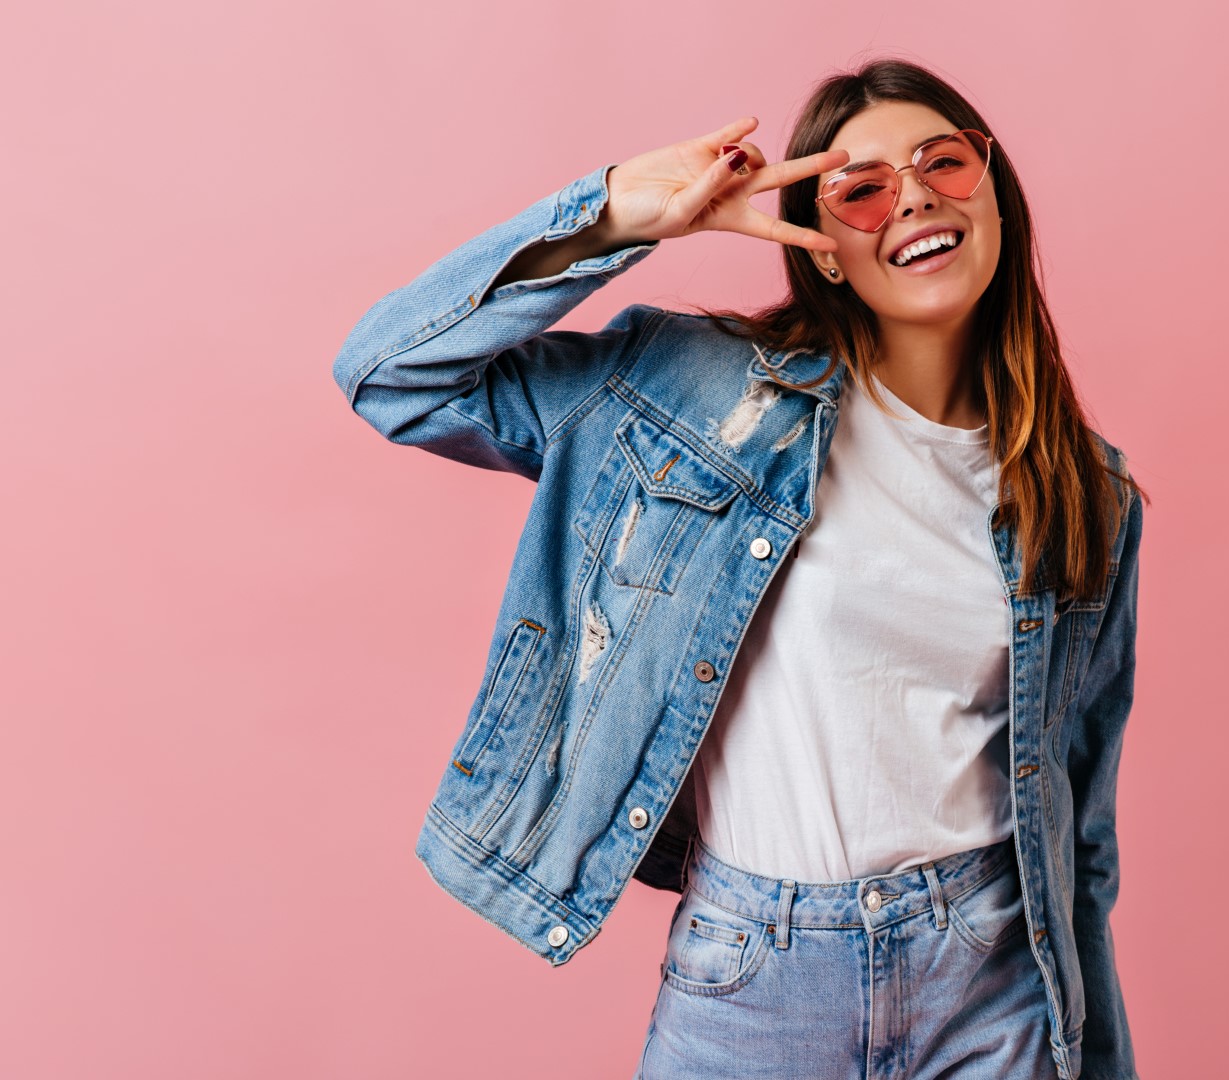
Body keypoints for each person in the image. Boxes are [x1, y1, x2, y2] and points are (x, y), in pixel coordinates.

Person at [333, 57, 1148, 1080]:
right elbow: (391, 376)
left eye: (946, 162)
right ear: (832, 252)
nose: (915, 197)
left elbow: (1078, 839)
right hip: (755, 981)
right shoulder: (694, 391)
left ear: (994, 200)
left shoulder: (1086, 491)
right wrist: (616, 215)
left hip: (990, 981)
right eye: (862, 187)